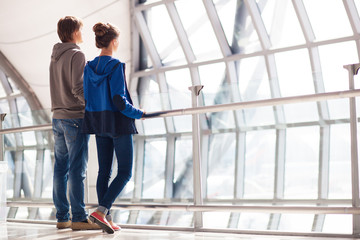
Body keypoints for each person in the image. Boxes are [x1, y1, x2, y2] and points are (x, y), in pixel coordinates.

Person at [83, 22, 144, 234]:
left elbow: (88, 97)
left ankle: (105, 217)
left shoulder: (89, 67)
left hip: (99, 124)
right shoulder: (116, 66)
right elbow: (119, 101)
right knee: (125, 172)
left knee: (104, 172)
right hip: (118, 123)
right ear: (114, 41)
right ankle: (101, 210)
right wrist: (139, 113)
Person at [49, 16, 100, 231]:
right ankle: (79, 217)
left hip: (57, 118)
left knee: (61, 169)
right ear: (73, 32)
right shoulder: (77, 54)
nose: (82, 33)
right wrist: (94, 106)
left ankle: (63, 217)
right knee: (77, 170)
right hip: (74, 118)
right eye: (80, 29)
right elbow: (78, 88)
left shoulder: (55, 56)